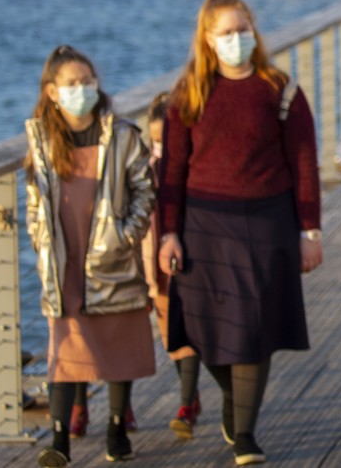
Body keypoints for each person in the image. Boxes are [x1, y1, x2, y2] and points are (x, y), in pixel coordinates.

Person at [158, 0, 323, 464]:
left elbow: (305, 163)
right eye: (227, 33)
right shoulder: (188, 94)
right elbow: (172, 171)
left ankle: (245, 434)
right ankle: (233, 400)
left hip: (268, 221)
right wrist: (168, 232)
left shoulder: (281, 90)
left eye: (243, 30)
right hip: (203, 224)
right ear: (208, 40)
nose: (237, 39)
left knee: (255, 326)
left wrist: (310, 231)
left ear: (255, 32)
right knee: (205, 327)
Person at [24, 46, 156, 466]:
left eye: (88, 81)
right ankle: (58, 440)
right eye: (72, 83)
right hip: (64, 258)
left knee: (119, 336)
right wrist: (42, 241)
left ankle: (117, 428)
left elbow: (145, 190)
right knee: (65, 346)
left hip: (111, 253)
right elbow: (33, 203)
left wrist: (125, 236)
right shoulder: (42, 143)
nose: (83, 89)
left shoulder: (122, 136)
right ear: (52, 91)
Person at [139, 92, 205, 440]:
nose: (160, 148)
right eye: (154, 141)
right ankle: (191, 398)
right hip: (156, 273)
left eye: (165, 140)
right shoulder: (143, 173)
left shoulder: (190, 171)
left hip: (189, 264)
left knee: (189, 337)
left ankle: (185, 403)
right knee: (172, 341)